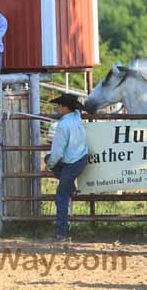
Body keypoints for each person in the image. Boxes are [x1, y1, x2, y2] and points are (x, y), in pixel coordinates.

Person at [45, 93, 88, 241]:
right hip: (81, 158)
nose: (57, 108)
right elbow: (78, 110)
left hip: (70, 163)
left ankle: (61, 232)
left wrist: (49, 165)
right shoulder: (77, 116)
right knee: (64, 186)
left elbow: (57, 153)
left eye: (59, 106)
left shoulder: (63, 126)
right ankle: (70, 186)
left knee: (61, 197)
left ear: (65, 108)